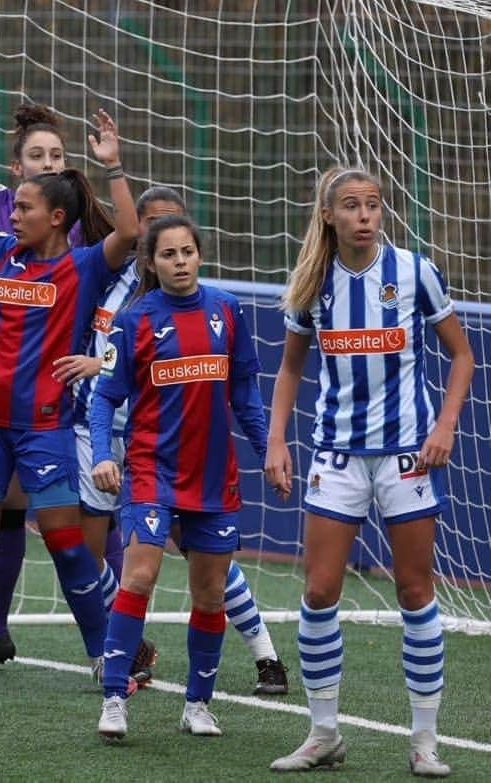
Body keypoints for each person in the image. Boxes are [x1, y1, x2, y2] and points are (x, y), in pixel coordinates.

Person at [265, 167, 472, 777]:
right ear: (328, 215)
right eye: (352, 206)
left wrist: (445, 425)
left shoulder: (414, 272)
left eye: (373, 206)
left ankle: (425, 742)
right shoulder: (313, 281)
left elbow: (461, 355)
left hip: (406, 454)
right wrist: (277, 440)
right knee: (318, 591)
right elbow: (289, 371)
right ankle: (323, 734)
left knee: (414, 592)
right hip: (337, 457)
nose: (365, 216)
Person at [0, 98, 138, 695]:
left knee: (65, 541)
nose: (12, 213)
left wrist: (113, 165)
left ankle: (107, 657)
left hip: (46, 426)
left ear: (55, 218)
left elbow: (129, 231)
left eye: (24, 207)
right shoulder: (2, 254)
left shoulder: (80, 268)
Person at [66, 185, 288, 696]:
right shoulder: (117, 294)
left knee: (211, 578)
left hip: (205, 466)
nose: (179, 258)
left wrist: (268, 448)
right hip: (141, 459)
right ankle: (116, 688)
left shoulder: (225, 310)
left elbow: (245, 395)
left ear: (199, 252)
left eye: (187, 247)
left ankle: (244, 669)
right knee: (129, 569)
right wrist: (102, 447)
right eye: (165, 245)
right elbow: (108, 382)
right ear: (144, 244)